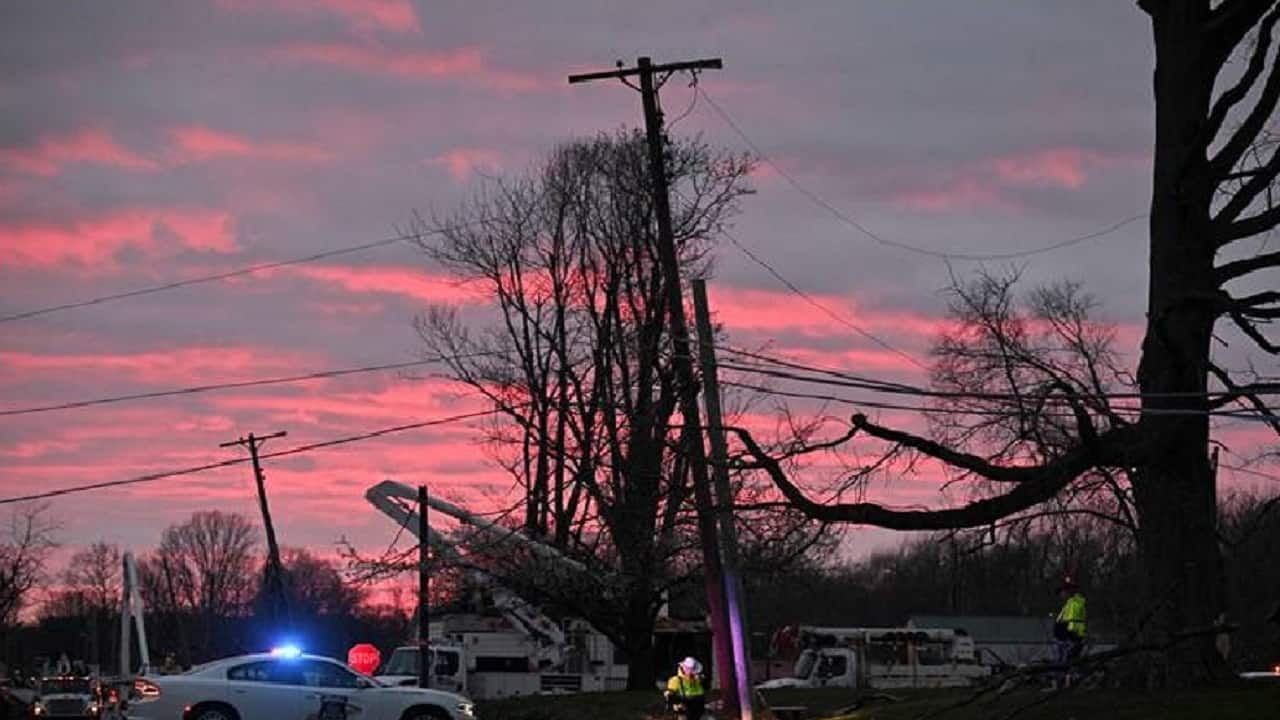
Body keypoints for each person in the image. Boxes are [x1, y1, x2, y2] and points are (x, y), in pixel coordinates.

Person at [1053, 577, 1087, 688]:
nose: (1060, 595)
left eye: (1062, 592)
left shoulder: (1075, 603)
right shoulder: (1068, 604)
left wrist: (1069, 634)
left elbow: (1073, 622)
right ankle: (1062, 682)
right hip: (1064, 637)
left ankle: (1067, 682)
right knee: (1064, 660)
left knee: (1069, 660)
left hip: (1070, 637)